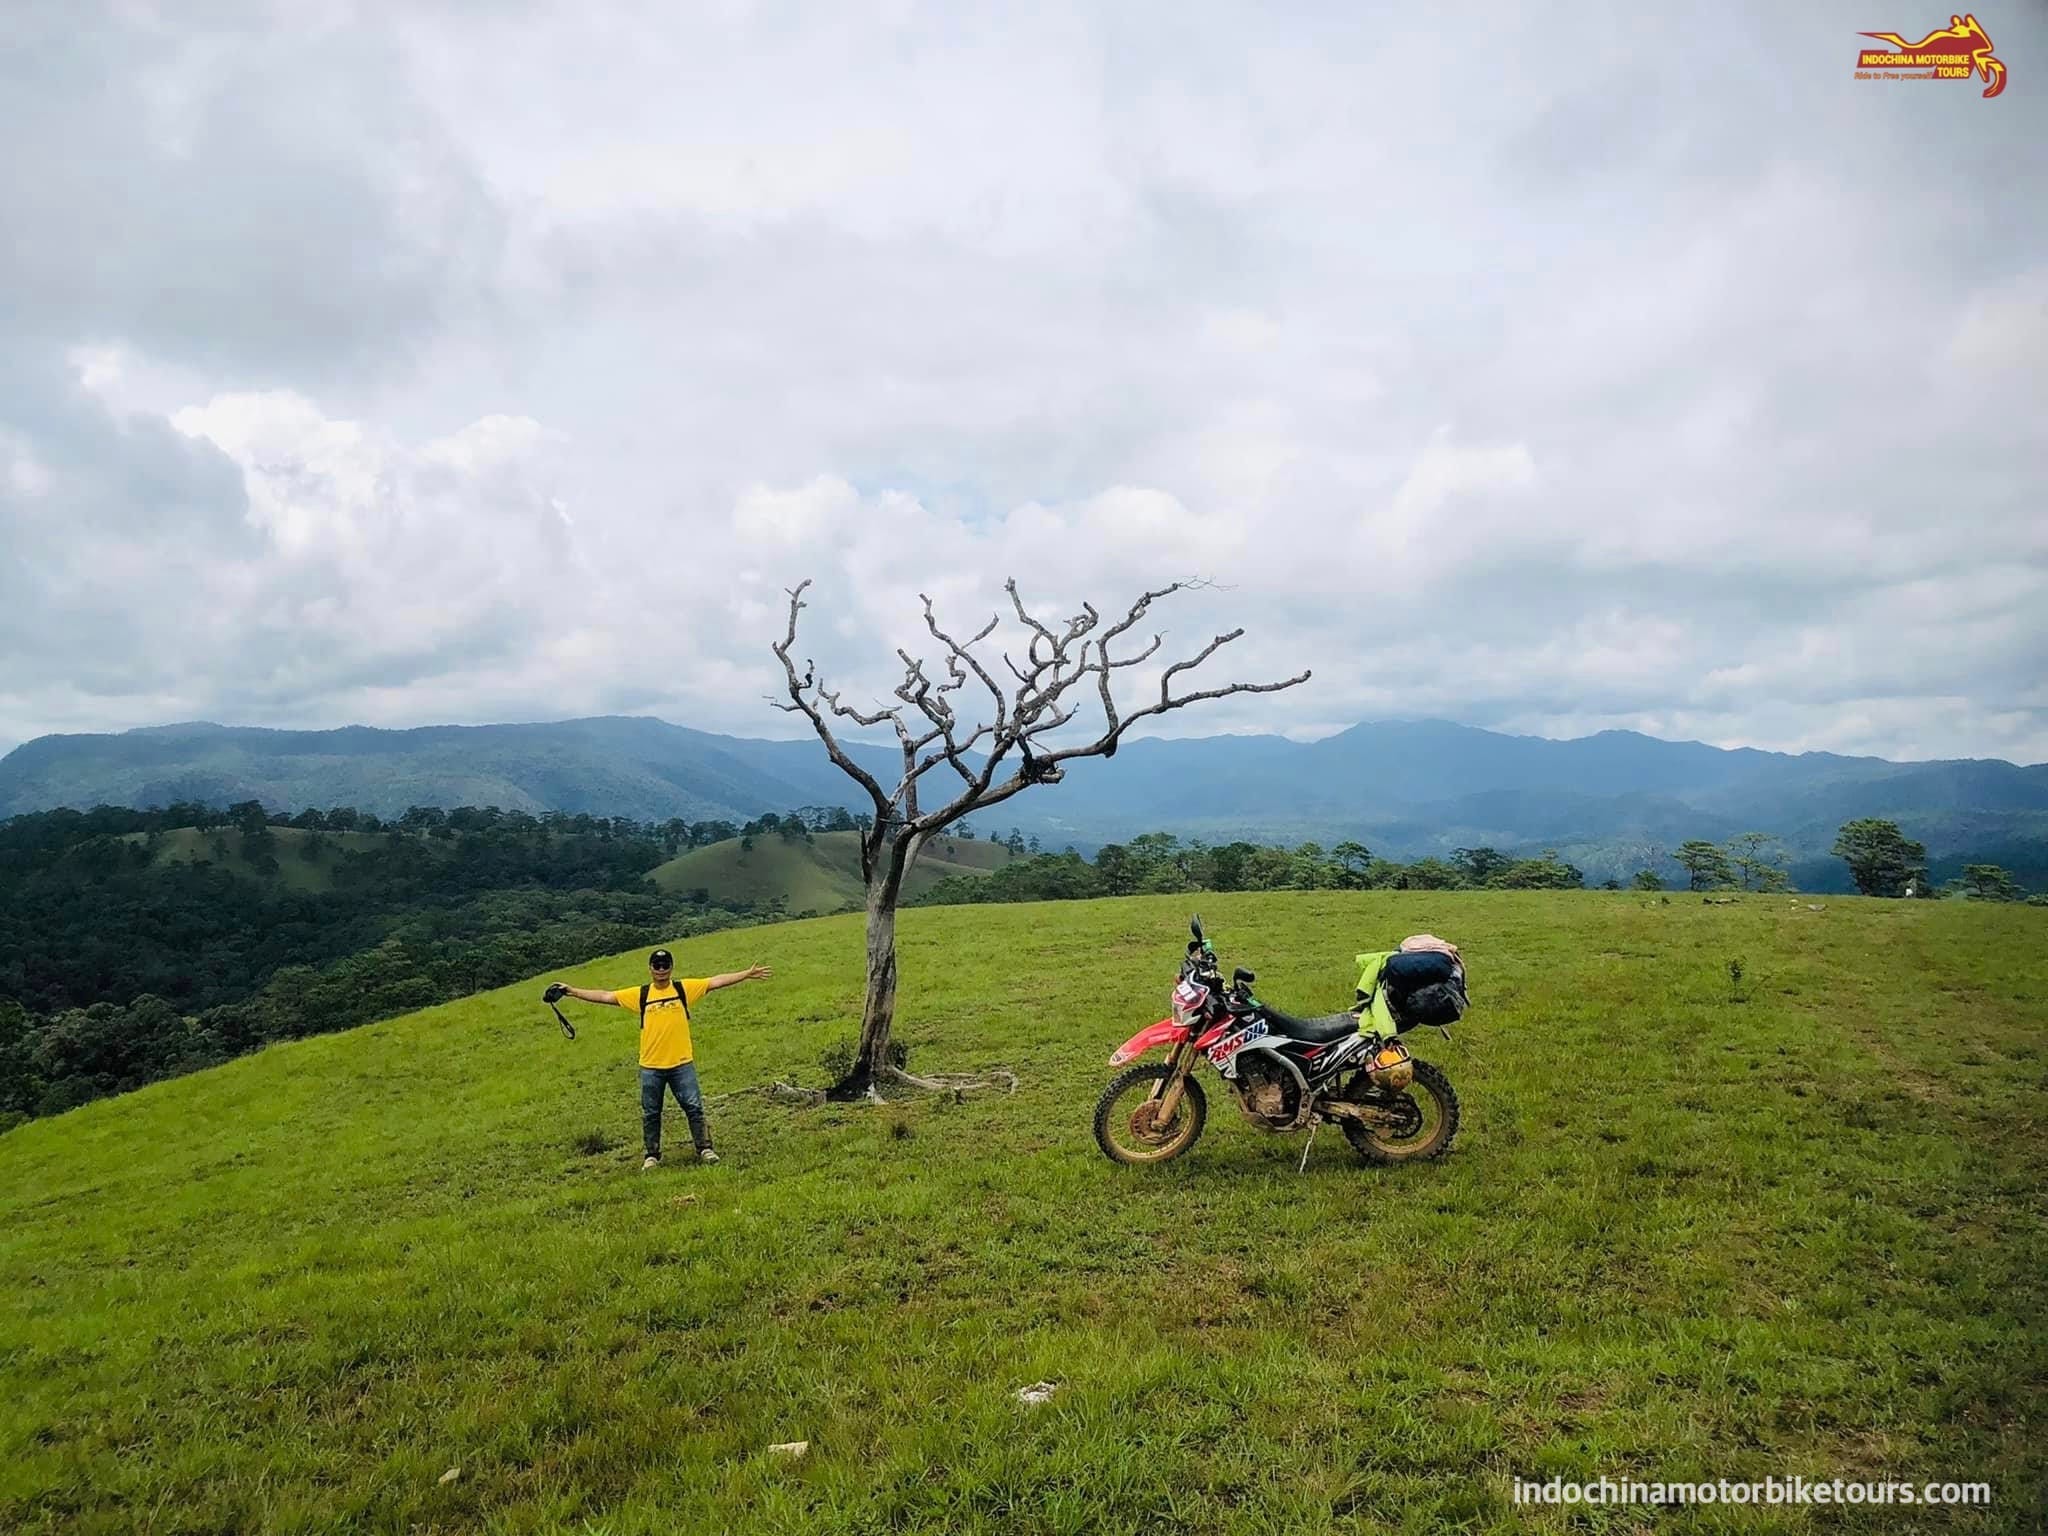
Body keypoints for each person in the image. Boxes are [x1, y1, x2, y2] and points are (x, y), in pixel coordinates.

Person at [551, 948, 773, 1169]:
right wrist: (571, 991)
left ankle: (704, 1148)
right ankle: (652, 1155)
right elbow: (606, 996)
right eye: (656, 966)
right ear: (650, 969)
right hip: (651, 1065)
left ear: (671, 967)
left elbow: (715, 982)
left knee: (694, 1107)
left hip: (681, 1063)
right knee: (651, 1112)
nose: (661, 969)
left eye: (665, 965)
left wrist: (745, 974)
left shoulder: (682, 989)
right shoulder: (642, 994)